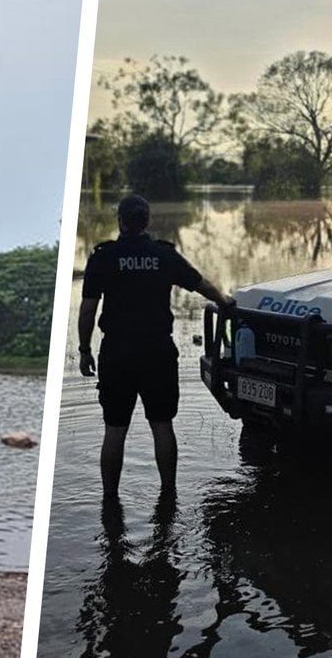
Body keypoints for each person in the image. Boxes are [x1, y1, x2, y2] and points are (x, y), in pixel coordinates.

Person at [78, 195, 234, 499]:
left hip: (118, 353)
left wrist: (85, 350)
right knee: (162, 425)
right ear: (147, 221)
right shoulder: (163, 255)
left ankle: (110, 499)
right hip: (157, 352)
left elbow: (87, 310)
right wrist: (224, 301)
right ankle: (168, 493)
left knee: (114, 428)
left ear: (120, 221)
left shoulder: (103, 257)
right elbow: (201, 284)